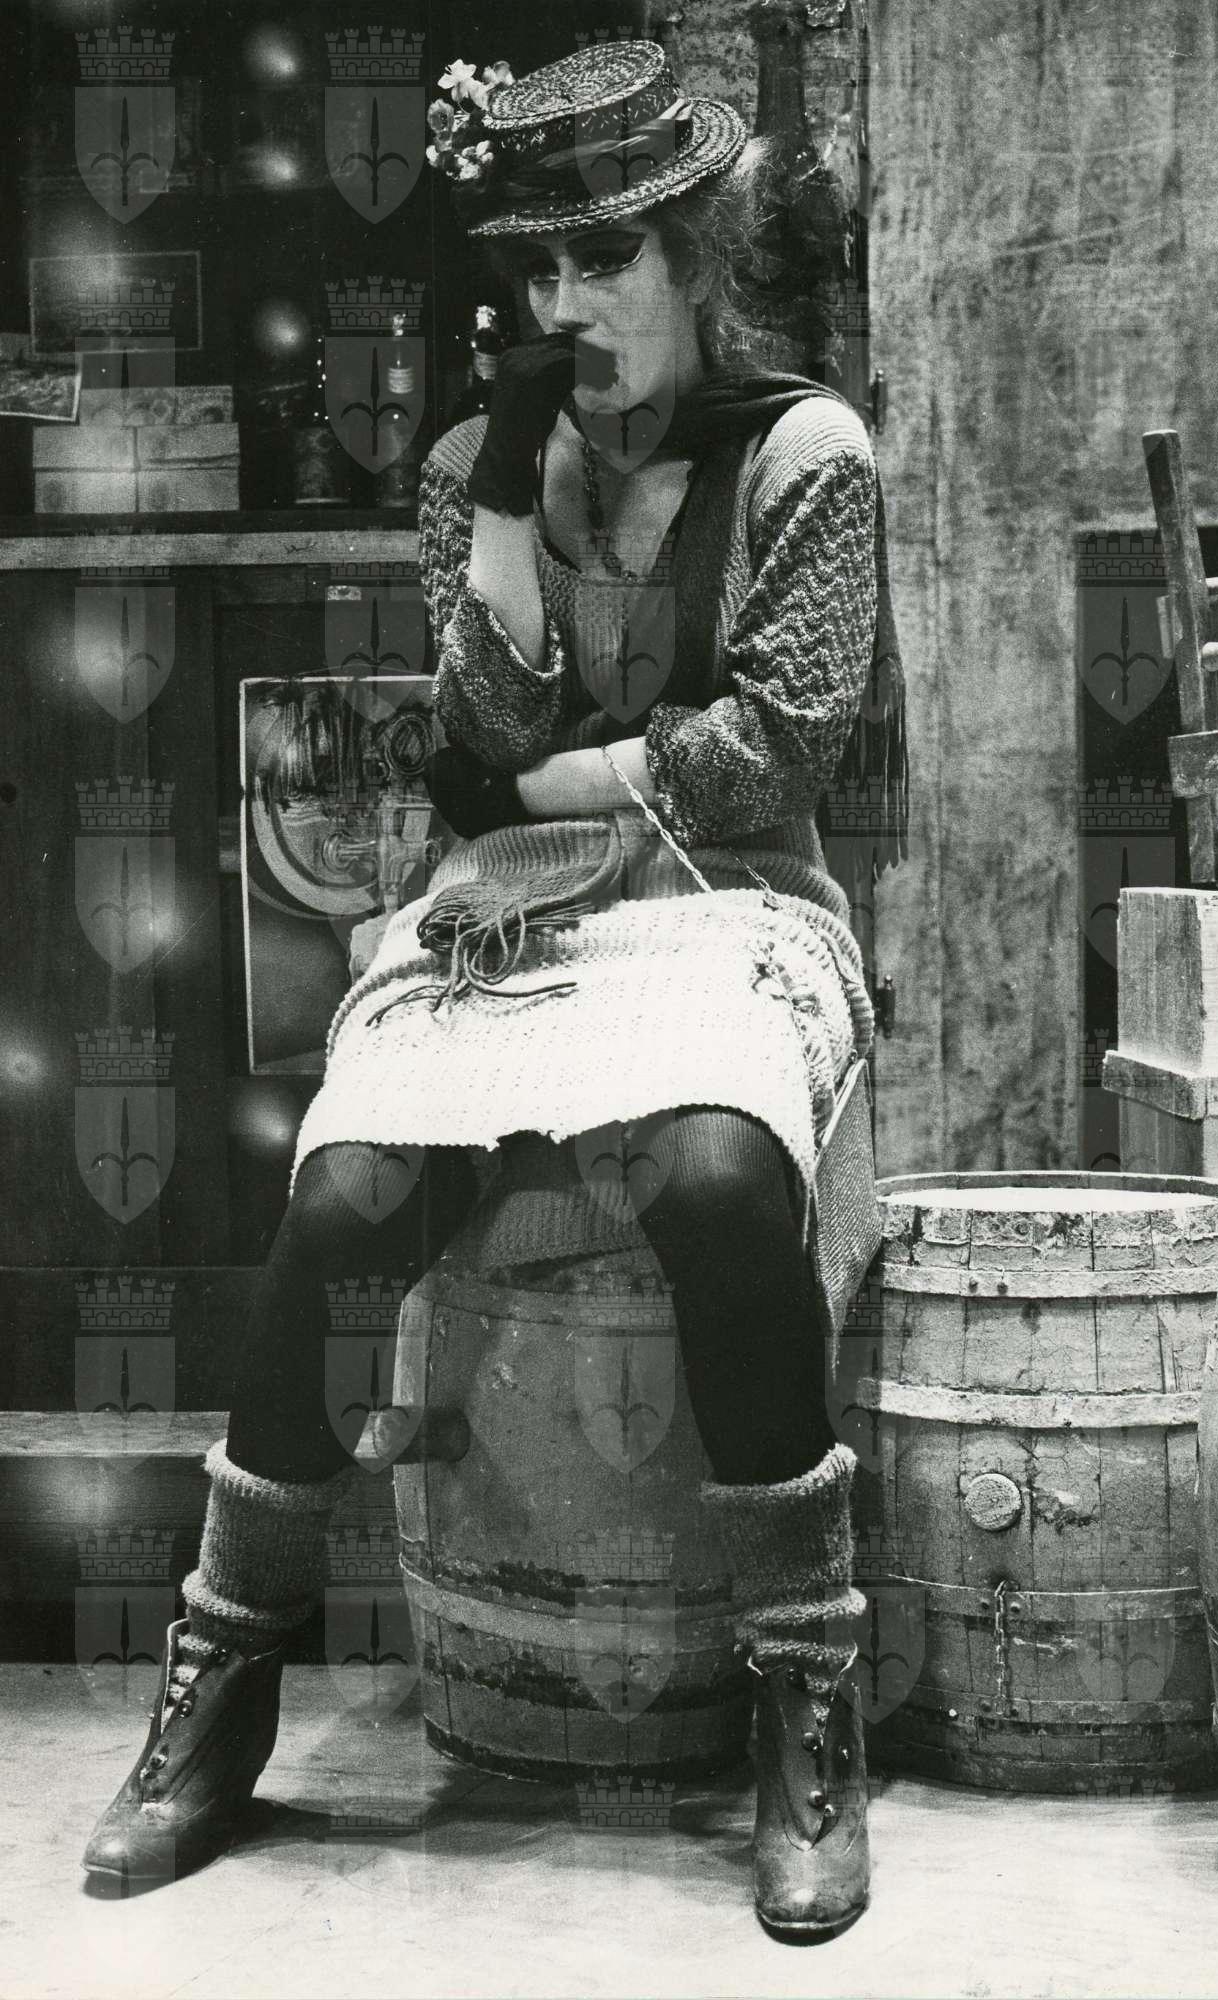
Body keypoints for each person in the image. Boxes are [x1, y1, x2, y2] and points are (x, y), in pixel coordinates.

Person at [82, 38, 907, 1945]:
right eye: (533, 271)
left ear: (692, 258)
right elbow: (484, 728)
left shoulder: (806, 457)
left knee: (717, 1181)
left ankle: (804, 1695)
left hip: (730, 908)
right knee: (346, 1198)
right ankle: (224, 1678)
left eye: (601, 261)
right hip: (504, 920)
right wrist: (520, 504)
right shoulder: (479, 467)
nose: (563, 306)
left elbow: (774, 757)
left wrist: (537, 787)